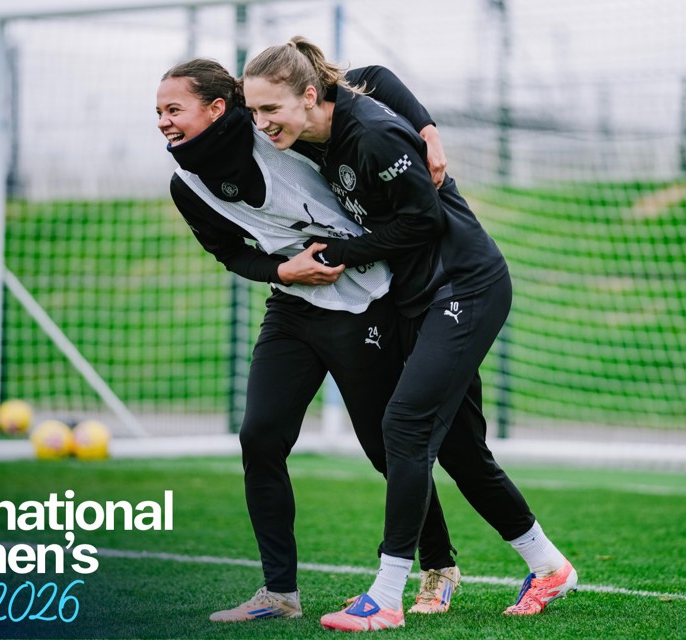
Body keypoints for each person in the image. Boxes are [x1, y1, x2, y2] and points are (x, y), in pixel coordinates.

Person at [243, 37, 578, 632]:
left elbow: (422, 219)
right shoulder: (321, 124)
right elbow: (374, 71)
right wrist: (428, 124)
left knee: (403, 425)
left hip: (465, 286)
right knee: (460, 449)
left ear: (310, 96)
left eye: (272, 110)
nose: (263, 124)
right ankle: (548, 565)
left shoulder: (371, 134)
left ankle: (387, 593)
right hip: (418, 297)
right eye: (254, 112)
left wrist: (345, 251)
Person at [156, 58, 464, 623]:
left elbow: (371, 77)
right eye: (158, 113)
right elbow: (230, 252)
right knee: (260, 436)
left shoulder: (277, 125)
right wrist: (283, 273)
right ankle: (279, 594)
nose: (163, 122)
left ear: (217, 108)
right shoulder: (188, 185)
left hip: (365, 299)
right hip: (293, 308)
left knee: (384, 446)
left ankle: (439, 567)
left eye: (174, 109)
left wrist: (427, 129)